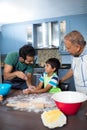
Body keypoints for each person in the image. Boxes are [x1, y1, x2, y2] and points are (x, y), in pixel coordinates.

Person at [60, 30, 87, 94]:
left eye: (68, 48)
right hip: (79, 93)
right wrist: (61, 80)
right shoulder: (75, 54)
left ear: (78, 47)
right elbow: (73, 70)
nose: (67, 50)